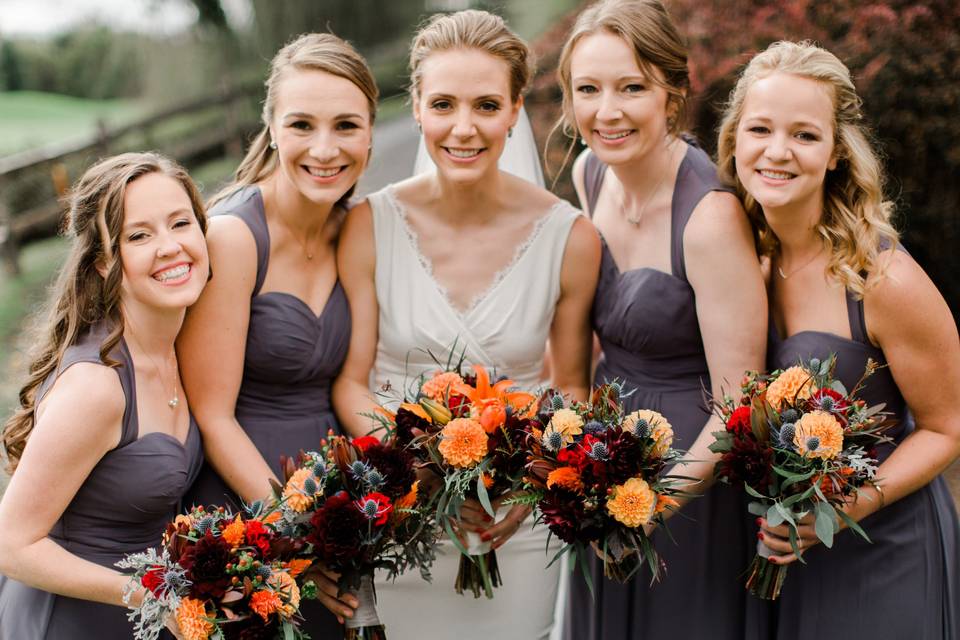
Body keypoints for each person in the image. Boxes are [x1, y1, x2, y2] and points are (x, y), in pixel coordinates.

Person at [331, 10, 600, 639]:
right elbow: (350, 381)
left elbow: (573, 389)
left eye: (485, 105)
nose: (464, 128)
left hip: (517, 523)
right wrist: (419, 472)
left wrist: (529, 482)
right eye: (444, 104)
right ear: (417, 109)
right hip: (403, 517)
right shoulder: (370, 226)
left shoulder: (571, 238)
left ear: (513, 111)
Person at [717, 39, 960, 639]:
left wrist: (854, 504)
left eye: (804, 135)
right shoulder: (741, 256)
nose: (778, 152)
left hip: (882, 548)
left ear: (835, 155)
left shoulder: (883, 279)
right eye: (760, 130)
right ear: (734, 141)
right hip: (784, 552)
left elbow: (948, 425)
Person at [553, 1, 769, 638]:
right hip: (607, 470)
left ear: (672, 93)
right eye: (588, 89)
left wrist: (650, 508)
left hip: (692, 491)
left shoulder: (709, 219)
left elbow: (742, 404)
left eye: (632, 88)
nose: (606, 111)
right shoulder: (591, 172)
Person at [177, 33, 377, 638]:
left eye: (346, 126)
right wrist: (295, 533)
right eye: (301, 125)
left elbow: (353, 382)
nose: (325, 149)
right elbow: (212, 416)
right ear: (271, 128)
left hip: (332, 501)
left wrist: (405, 474)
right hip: (247, 505)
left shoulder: (353, 228)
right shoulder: (236, 238)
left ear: (372, 130)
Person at [0, 153, 208, 639]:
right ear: (103, 261)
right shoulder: (96, 387)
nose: (170, 246)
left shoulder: (173, 349)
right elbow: (10, 543)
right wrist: (147, 594)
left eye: (181, 223)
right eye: (139, 236)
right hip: (70, 623)